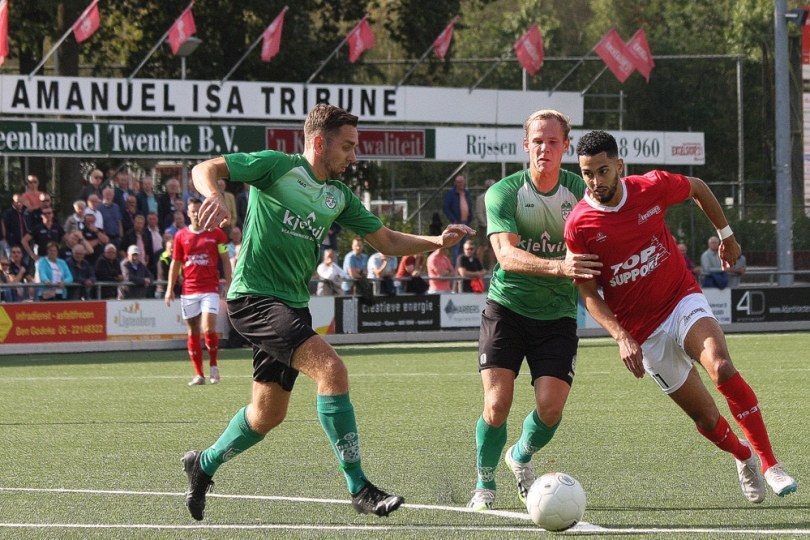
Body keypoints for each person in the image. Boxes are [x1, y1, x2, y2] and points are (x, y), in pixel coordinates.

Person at [180, 103, 473, 522]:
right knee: (332, 370)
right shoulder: (276, 166)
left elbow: (386, 240)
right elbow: (206, 167)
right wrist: (213, 194)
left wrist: (436, 241)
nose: (354, 157)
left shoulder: (339, 196)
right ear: (319, 143)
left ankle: (203, 464)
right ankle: (359, 487)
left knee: (267, 414)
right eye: (348, 147)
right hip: (254, 297)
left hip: (291, 304)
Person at [566, 129, 797, 503]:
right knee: (706, 419)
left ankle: (771, 465)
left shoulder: (652, 187)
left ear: (619, 166)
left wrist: (726, 234)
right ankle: (744, 456)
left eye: (603, 171)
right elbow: (589, 294)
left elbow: (698, 187)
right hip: (644, 332)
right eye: (587, 173)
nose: (594, 182)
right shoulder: (580, 225)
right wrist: (622, 336)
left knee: (720, 366)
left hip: (680, 299)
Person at [467, 109, 601, 511]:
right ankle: (484, 484)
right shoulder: (504, 193)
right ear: (526, 145)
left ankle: (520, 454)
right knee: (497, 404)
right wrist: (560, 266)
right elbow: (506, 255)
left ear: (566, 147)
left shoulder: (582, 191)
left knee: (551, 408)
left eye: (553, 141)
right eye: (537, 141)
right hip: (506, 310)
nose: (544, 148)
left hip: (558, 315)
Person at [165, 197, 231, 386]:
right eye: (192, 211)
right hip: (189, 289)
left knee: (208, 328)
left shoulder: (216, 234)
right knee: (192, 330)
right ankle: (199, 374)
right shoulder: (180, 236)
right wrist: (170, 288)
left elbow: (225, 259)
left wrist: (228, 282)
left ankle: (213, 366)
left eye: (198, 211)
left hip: (210, 288)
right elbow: (175, 263)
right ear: (187, 213)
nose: (195, 214)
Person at [443, 174, 473, 262]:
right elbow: (446, 207)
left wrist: (470, 217)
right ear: (455, 183)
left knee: (465, 245)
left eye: (461, 182)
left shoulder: (467, 193)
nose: (460, 184)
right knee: (456, 245)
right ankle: (455, 267)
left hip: (466, 223)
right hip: (456, 223)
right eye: (458, 182)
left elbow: (470, 206)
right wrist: (453, 219)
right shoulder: (451, 193)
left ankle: (463, 266)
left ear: (464, 183)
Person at [474, 179, 497, 271]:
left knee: (493, 247)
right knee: (482, 246)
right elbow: (479, 212)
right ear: (486, 187)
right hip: (484, 226)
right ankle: (479, 266)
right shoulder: (481, 198)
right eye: (489, 186)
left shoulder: (497, 197)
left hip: (495, 225)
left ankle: (492, 267)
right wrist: (485, 224)